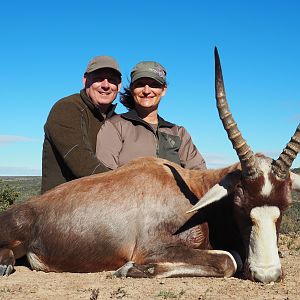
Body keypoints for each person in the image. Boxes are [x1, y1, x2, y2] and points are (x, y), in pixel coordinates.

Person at [95, 61, 206, 171]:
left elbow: (199, 175)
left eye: (154, 85)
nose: (147, 91)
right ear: (132, 89)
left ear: (163, 90)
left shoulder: (178, 133)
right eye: (140, 84)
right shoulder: (115, 126)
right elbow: (104, 178)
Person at [41, 56, 122, 193]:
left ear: (119, 86)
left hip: (99, 205)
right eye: (98, 78)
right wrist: (125, 188)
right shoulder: (67, 108)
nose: (106, 85)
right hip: (61, 207)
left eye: (112, 80)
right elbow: (82, 164)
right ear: (85, 80)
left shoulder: (117, 121)